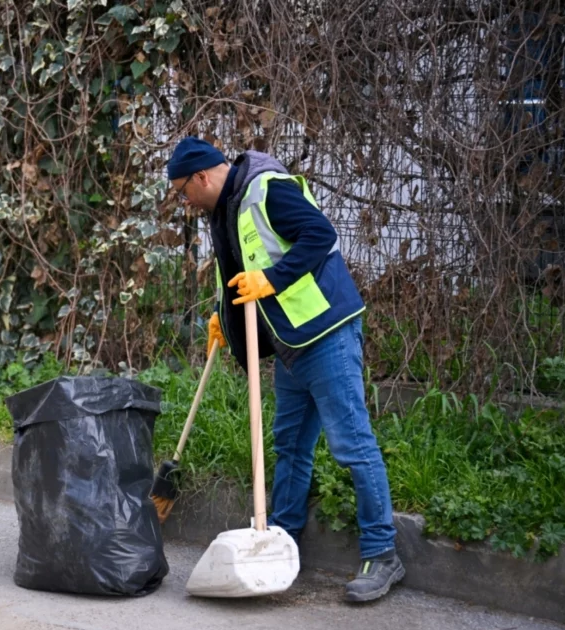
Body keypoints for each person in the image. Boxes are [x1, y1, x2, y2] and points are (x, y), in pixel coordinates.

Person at [166, 137, 403, 602]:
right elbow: (243, 272)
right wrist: (223, 318)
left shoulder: (266, 189)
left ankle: (383, 553)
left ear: (201, 177)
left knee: (352, 445)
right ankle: (281, 541)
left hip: (326, 332)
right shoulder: (225, 210)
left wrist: (271, 280)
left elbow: (320, 235)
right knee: (290, 446)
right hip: (290, 341)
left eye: (182, 191)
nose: (184, 201)